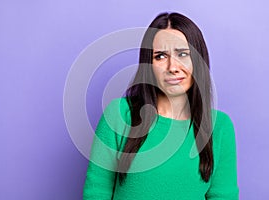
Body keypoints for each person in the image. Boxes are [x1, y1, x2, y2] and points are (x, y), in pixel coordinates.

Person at [83, 12, 239, 200]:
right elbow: (96, 193)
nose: (172, 67)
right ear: (148, 64)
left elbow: (223, 196)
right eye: (160, 56)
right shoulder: (119, 115)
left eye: (183, 54)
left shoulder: (219, 126)